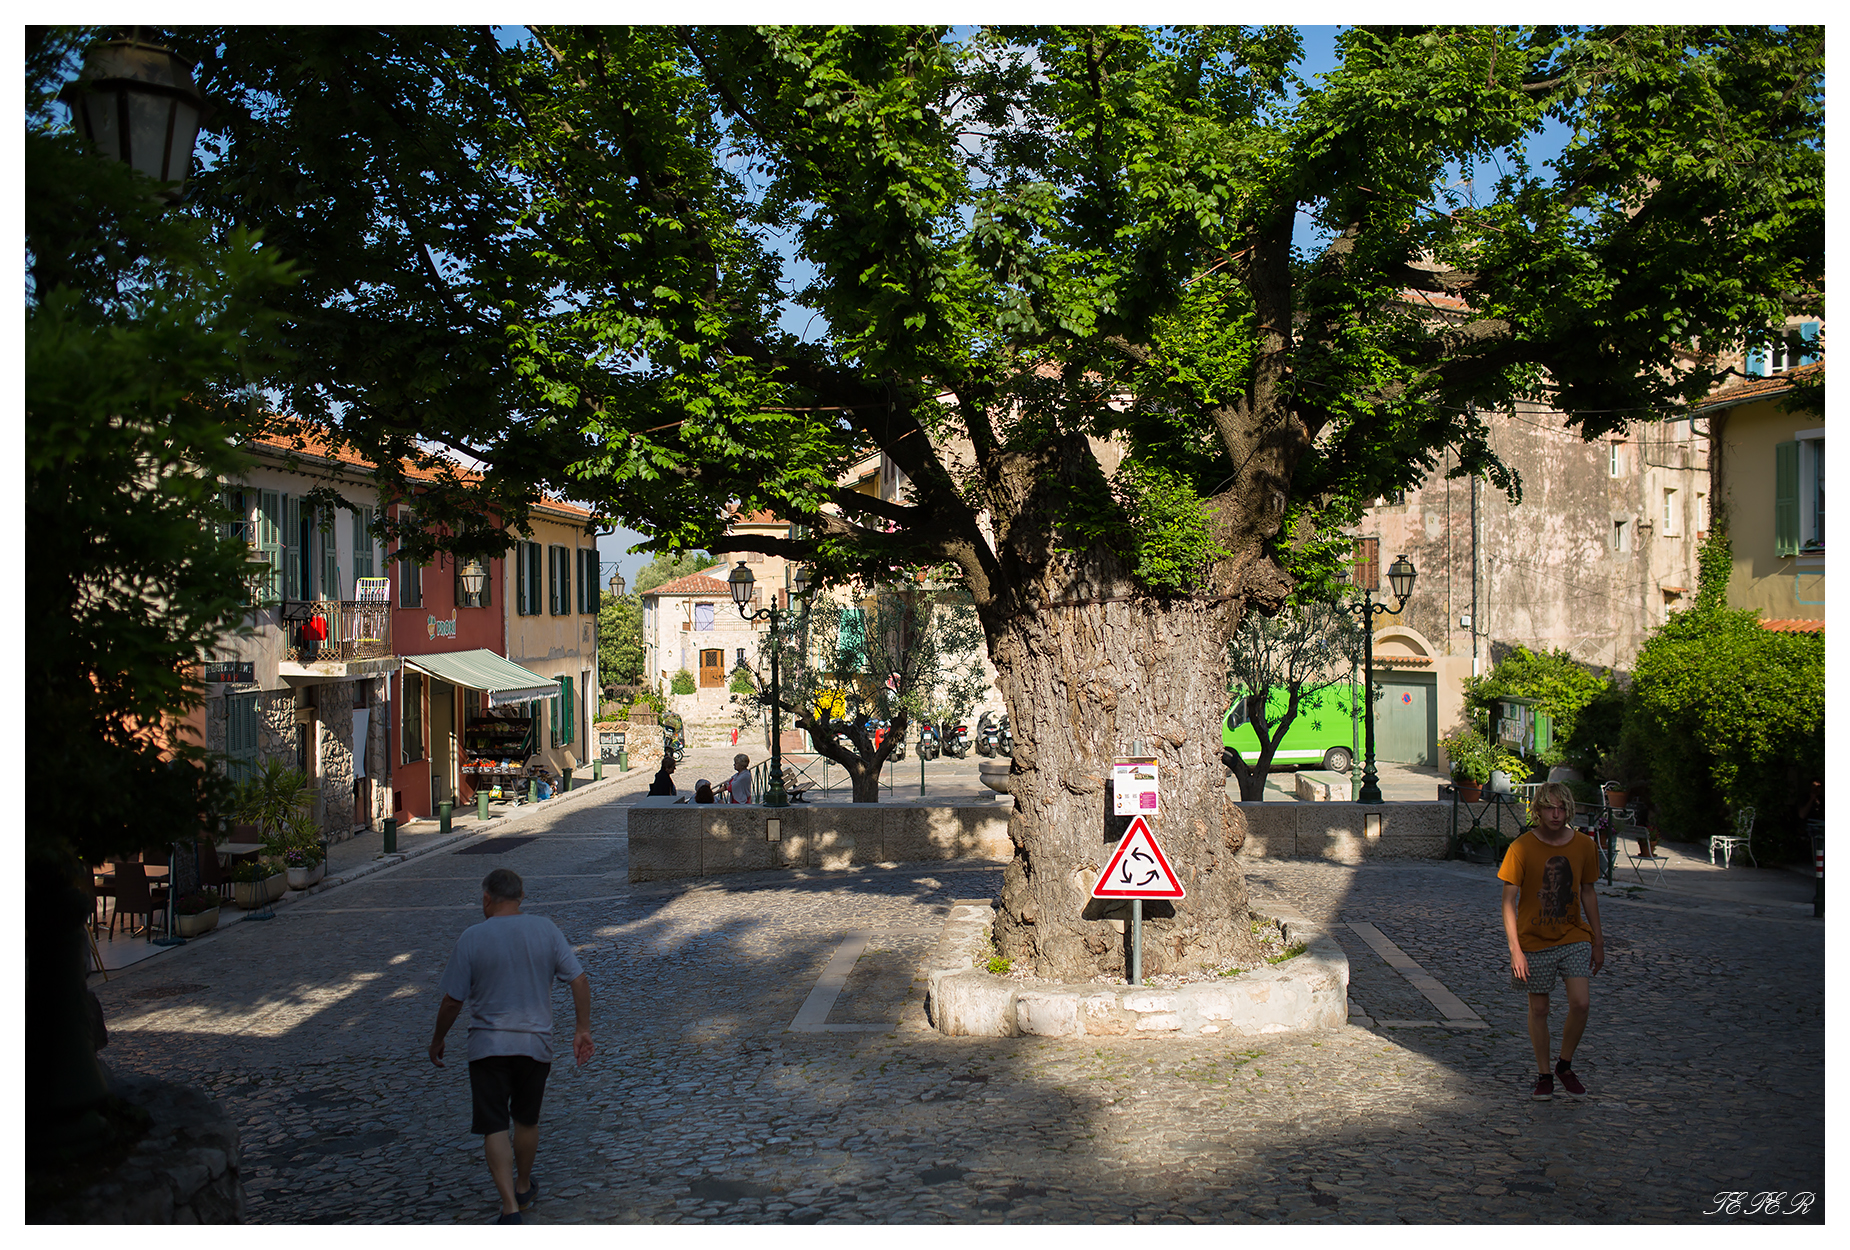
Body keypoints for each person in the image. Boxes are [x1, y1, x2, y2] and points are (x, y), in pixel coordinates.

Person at [428, 868, 593, 1223]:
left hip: (487, 1046)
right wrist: (582, 1029)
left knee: (494, 1125)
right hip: (535, 1044)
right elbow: (579, 979)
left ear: (487, 899)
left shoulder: (472, 938)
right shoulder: (545, 930)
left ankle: (509, 1207)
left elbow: (452, 1001)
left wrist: (438, 1039)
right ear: (521, 897)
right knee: (526, 1120)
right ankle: (522, 1184)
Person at [1499, 780, 1605, 1101]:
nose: (1556, 815)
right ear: (1538, 810)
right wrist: (1515, 950)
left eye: (1561, 808)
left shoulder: (1584, 845)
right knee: (1540, 1008)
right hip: (1534, 940)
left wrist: (1598, 940)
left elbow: (1588, 891)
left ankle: (1565, 1065)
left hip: (1574, 935)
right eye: (1549, 808)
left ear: (1568, 810)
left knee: (1581, 1003)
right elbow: (1508, 901)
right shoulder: (1521, 848)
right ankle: (1544, 1073)